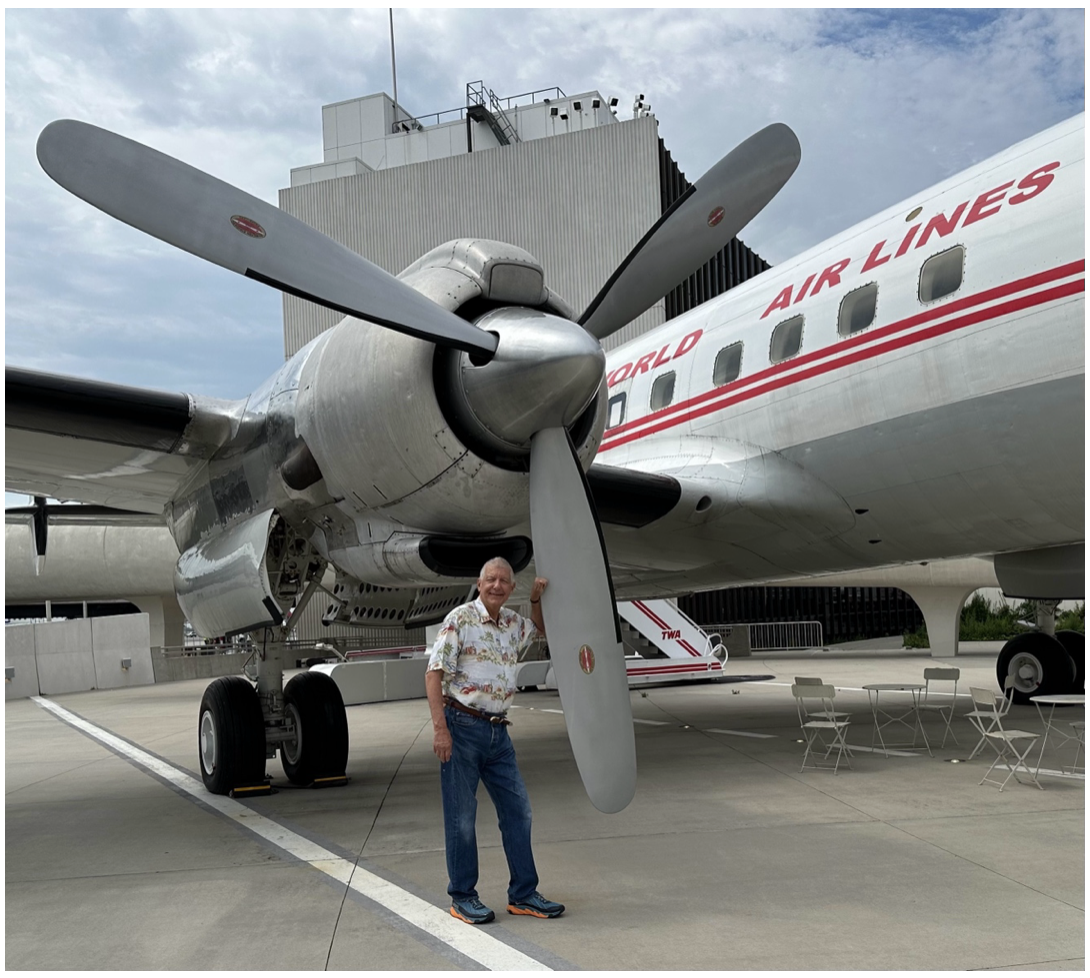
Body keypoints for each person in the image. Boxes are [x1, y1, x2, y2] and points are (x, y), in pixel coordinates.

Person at [425, 557, 565, 925]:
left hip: (498, 732)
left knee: (519, 812)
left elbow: (540, 628)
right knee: (461, 818)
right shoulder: (460, 619)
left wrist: (535, 600)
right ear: (479, 582)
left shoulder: (513, 623)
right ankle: (462, 897)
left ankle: (523, 894)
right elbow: (434, 674)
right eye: (491, 579)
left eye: (504, 581)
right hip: (462, 726)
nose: (497, 586)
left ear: (511, 588)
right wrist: (440, 729)